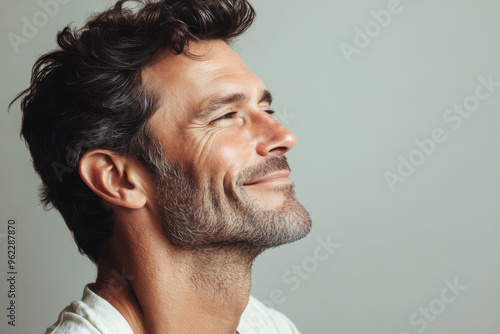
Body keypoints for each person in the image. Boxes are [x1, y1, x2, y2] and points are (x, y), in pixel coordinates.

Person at [11, 0, 312, 333]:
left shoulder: (271, 327)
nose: (284, 136)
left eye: (265, 110)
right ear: (117, 179)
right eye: (226, 116)